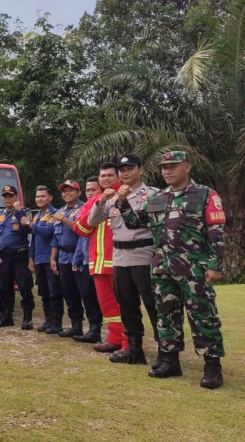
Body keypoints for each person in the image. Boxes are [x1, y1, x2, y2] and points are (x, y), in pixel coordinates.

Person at [118, 151, 226, 388]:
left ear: (187, 167)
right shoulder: (158, 197)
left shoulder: (204, 194)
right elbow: (136, 222)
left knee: (203, 315)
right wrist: (122, 202)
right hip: (163, 268)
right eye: (164, 167)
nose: (167, 171)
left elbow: (216, 231)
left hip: (195, 268)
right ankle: (169, 360)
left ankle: (212, 365)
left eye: (173, 166)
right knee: (166, 315)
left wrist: (215, 265)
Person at [90, 155, 159, 365]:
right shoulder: (112, 199)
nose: (125, 173)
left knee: (153, 304)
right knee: (127, 304)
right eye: (122, 170)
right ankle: (134, 350)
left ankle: (166, 350)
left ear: (140, 169)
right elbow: (92, 221)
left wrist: (123, 200)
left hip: (143, 255)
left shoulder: (152, 195)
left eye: (130, 168)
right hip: (120, 258)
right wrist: (102, 200)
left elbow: (144, 224)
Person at [73, 164, 126, 351]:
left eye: (110, 175)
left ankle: (129, 343)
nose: (106, 178)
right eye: (102, 175)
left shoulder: (127, 195)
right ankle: (114, 339)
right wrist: (101, 201)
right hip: (99, 263)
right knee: (107, 305)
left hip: (122, 261)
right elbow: (80, 228)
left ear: (119, 176)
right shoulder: (95, 200)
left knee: (126, 304)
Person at [0, 185, 35, 328]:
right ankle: (6, 317)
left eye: (10, 196)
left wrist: (19, 210)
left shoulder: (24, 212)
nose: (8, 199)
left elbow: (27, 228)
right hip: (4, 257)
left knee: (24, 286)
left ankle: (27, 318)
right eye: (5, 196)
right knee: (5, 287)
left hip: (20, 255)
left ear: (17, 197)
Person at [47, 180, 85, 335]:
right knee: (69, 293)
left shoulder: (83, 208)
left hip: (79, 255)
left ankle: (93, 327)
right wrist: (52, 258)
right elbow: (55, 238)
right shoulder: (60, 211)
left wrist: (63, 219)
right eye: (64, 191)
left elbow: (79, 229)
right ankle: (76, 325)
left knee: (84, 292)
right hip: (63, 257)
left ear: (78, 193)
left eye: (71, 190)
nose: (67, 193)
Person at [28, 185, 62, 333]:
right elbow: (34, 239)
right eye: (37, 196)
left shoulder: (55, 214)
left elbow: (48, 231)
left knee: (54, 292)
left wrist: (30, 225)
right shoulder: (37, 216)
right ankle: (48, 320)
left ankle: (57, 323)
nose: (39, 199)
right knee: (44, 292)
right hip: (39, 258)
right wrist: (31, 257)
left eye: (42, 196)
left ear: (50, 198)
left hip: (50, 258)